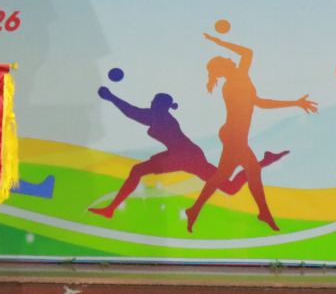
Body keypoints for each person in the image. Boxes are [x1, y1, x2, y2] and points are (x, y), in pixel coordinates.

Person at [87, 70, 286, 219]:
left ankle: (110, 209)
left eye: (154, 101)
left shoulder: (160, 116)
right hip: (187, 155)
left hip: (184, 156)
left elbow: (132, 112)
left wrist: (111, 97)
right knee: (231, 188)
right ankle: (264, 161)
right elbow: (135, 113)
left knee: (137, 170)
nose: (151, 103)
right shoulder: (160, 115)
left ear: (161, 105)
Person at [184, 33, 316, 233]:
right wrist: (220, 42)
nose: (229, 58)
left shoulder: (240, 77)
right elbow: (247, 54)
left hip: (235, 135)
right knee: (243, 172)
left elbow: (260, 101)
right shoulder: (233, 84)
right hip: (234, 135)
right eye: (225, 59)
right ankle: (262, 213)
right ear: (223, 68)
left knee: (228, 175)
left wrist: (295, 103)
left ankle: (195, 210)